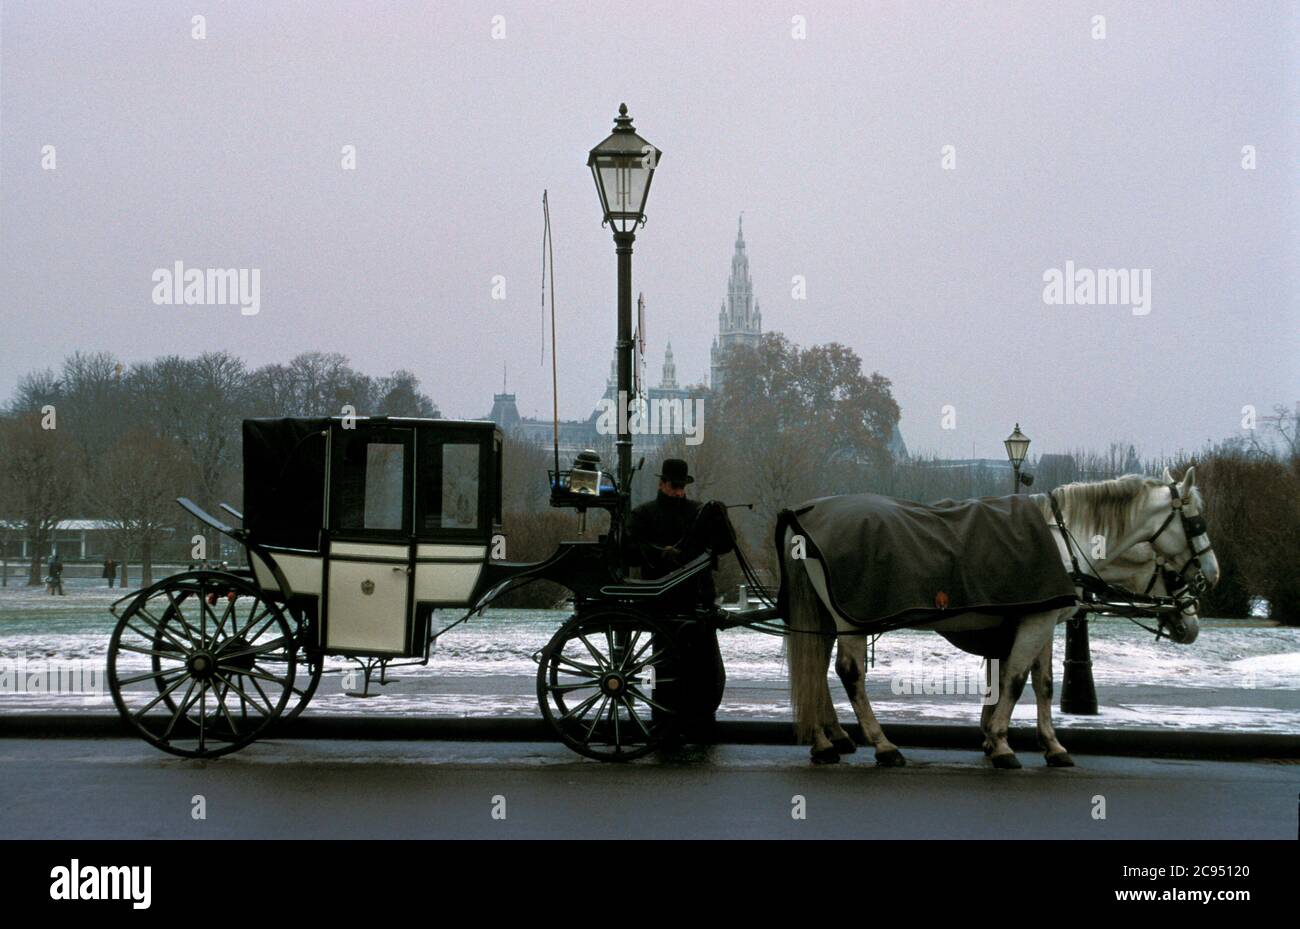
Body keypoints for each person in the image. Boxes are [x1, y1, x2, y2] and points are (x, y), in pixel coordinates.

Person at [625, 458, 730, 742]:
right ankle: (665, 724)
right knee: (666, 667)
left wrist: (721, 520)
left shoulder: (699, 513)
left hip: (696, 600)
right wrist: (661, 552)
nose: (678, 492)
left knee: (705, 669)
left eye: (681, 487)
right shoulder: (644, 514)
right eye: (674, 486)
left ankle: (701, 724)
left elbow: (723, 546)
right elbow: (630, 548)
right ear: (662, 484)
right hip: (665, 602)